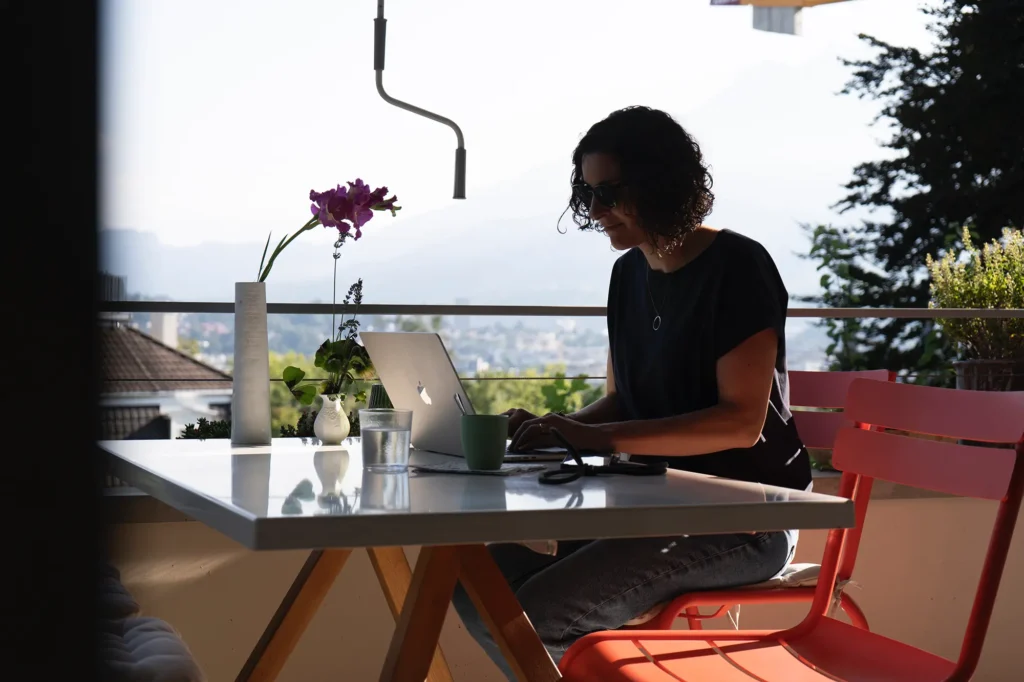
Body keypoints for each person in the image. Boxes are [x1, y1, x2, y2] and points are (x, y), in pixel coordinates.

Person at [451, 106, 811, 676]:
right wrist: (553, 429)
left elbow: (741, 422)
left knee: (532, 613)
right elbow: (621, 401)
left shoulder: (737, 267)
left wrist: (595, 436)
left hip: (744, 521)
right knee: (476, 587)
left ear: (661, 184)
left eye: (611, 192)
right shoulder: (630, 273)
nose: (595, 211)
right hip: (653, 510)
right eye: (588, 193)